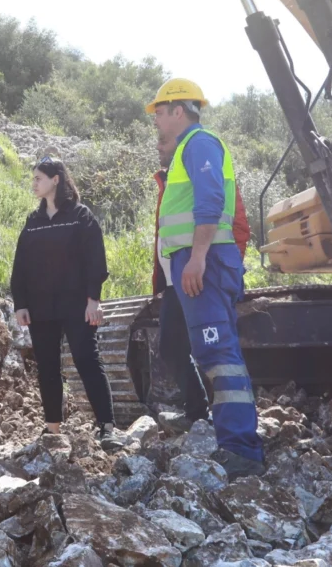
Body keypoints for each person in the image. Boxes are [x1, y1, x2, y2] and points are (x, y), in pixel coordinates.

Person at [147, 78, 265, 479]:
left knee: (218, 353)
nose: (157, 120)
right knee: (209, 350)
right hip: (198, 262)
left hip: (206, 261)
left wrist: (196, 258)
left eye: (160, 112)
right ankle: (234, 440)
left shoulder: (199, 143)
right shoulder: (186, 149)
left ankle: (241, 450)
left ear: (179, 110)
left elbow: (211, 201)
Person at [10, 157, 122, 451]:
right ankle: (52, 429)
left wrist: (93, 300)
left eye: (38, 178)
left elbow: (95, 259)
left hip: (76, 305)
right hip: (40, 307)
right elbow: (20, 265)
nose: (34, 183)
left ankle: (107, 427)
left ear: (55, 179)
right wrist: (20, 303)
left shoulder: (80, 216)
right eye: (33, 178)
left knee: (87, 361)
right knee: (47, 367)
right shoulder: (33, 222)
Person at [152, 140, 253, 434]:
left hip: (204, 274)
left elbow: (237, 226)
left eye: (163, 141)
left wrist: (222, 268)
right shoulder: (169, 182)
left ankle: (235, 435)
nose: (160, 143)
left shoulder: (203, 161)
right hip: (176, 281)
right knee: (171, 347)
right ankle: (197, 414)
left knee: (216, 351)